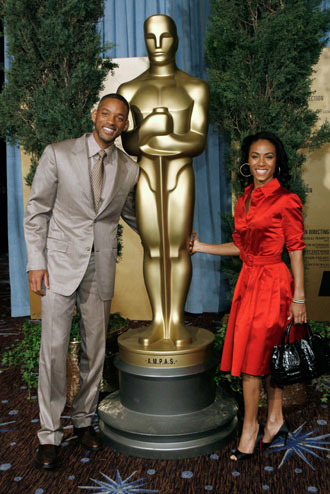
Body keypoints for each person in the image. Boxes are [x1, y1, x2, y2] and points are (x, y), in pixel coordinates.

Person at [24, 93, 139, 470]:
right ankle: (49, 435)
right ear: (95, 115)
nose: (112, 121)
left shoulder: (129, 167)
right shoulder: (58, 153)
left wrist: (171, 238)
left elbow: (133, 216)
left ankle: (84, 420)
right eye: (106, 113)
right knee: (54, 352)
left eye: (119, 117)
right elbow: (37, 211)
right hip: (57, 266)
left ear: (125, 125)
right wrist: (35, 264)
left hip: (101, 266)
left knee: (95, 349)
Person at [190, 131, 307, 461]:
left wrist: (299, 298)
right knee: (264, 356)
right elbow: (241, 248)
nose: (261, 163)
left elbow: (296, 249)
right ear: (247, 161)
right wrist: (200, 247)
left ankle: (251, 428)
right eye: (255, 156)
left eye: (268, 156)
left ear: (277, 162)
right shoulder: (244, 199)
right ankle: (275, 419)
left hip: (275, 285)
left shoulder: (286, 199)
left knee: (260, 360)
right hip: (249, 283)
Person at [118, 14, 209, 347]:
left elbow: (197, 141)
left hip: (179, 176)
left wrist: (158, 136)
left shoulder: (194, 87)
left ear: (176, 39)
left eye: (165, 37)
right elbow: (129, 144)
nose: (158, 45)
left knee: (177, 249)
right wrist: (152, 131)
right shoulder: (130, 89)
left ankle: (176, 322)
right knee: (153, 249)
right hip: (146, 177)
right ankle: (159, 320)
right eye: (151, 38)